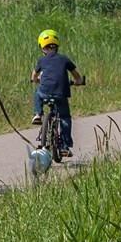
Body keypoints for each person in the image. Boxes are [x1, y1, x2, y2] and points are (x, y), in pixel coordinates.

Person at [31, 29, 85, 157]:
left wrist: (37, 80)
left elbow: (33, 76)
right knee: (65, 117)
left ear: (42, 47)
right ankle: (64, 146)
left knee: (37, 93)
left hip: (45, 91)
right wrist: (78, 81)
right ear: (57, 45)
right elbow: (76, 75)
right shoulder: (64, 59)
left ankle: (38, 113)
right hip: (61, 93)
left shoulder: (41, 60)